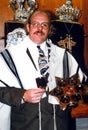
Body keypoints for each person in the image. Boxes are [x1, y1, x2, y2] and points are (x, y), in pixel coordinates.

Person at [0, 10, 87, 130]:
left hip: (58, 124)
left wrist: (68, 95)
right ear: (28, 27)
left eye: (44, 25)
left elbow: (81, 86)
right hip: (26, 125)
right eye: (35, 24)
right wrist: (23, 95)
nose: (39, 28)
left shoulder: (63, 56)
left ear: (49, 29)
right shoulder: (10, 55)